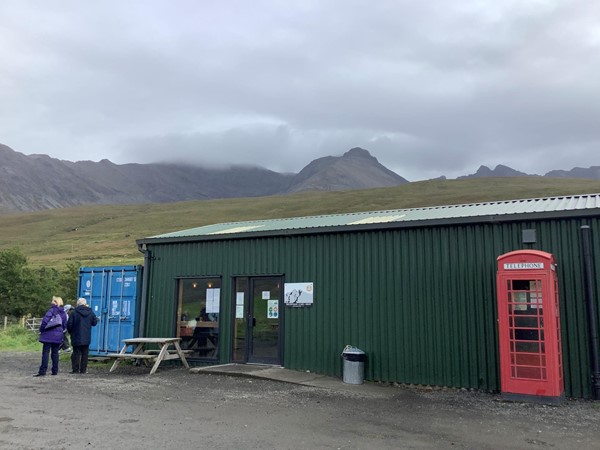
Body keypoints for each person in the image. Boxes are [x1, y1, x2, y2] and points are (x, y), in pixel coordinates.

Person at [35, 296, 68, 377]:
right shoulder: (63, 313)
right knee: (55, 353)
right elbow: (64, 325)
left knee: (46, 353)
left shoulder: (51, 310)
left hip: (48, 334)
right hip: (58, 335)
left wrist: (42, 330)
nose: (51, 302)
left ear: (56, 302)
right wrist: (60, 331)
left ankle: (43, 371)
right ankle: (55, 371)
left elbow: (45, 321)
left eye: (53, 301)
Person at [67, 297, 98, 374]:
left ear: (78, 304)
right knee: (85, 354)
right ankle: (83, 370)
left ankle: (75, 369)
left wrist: (71, 332)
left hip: (76, 335)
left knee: (76, 353)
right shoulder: (90, 312)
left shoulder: (74, 312)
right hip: (86, 336)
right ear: (85, 304)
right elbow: (94, 323)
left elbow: (69, 324)